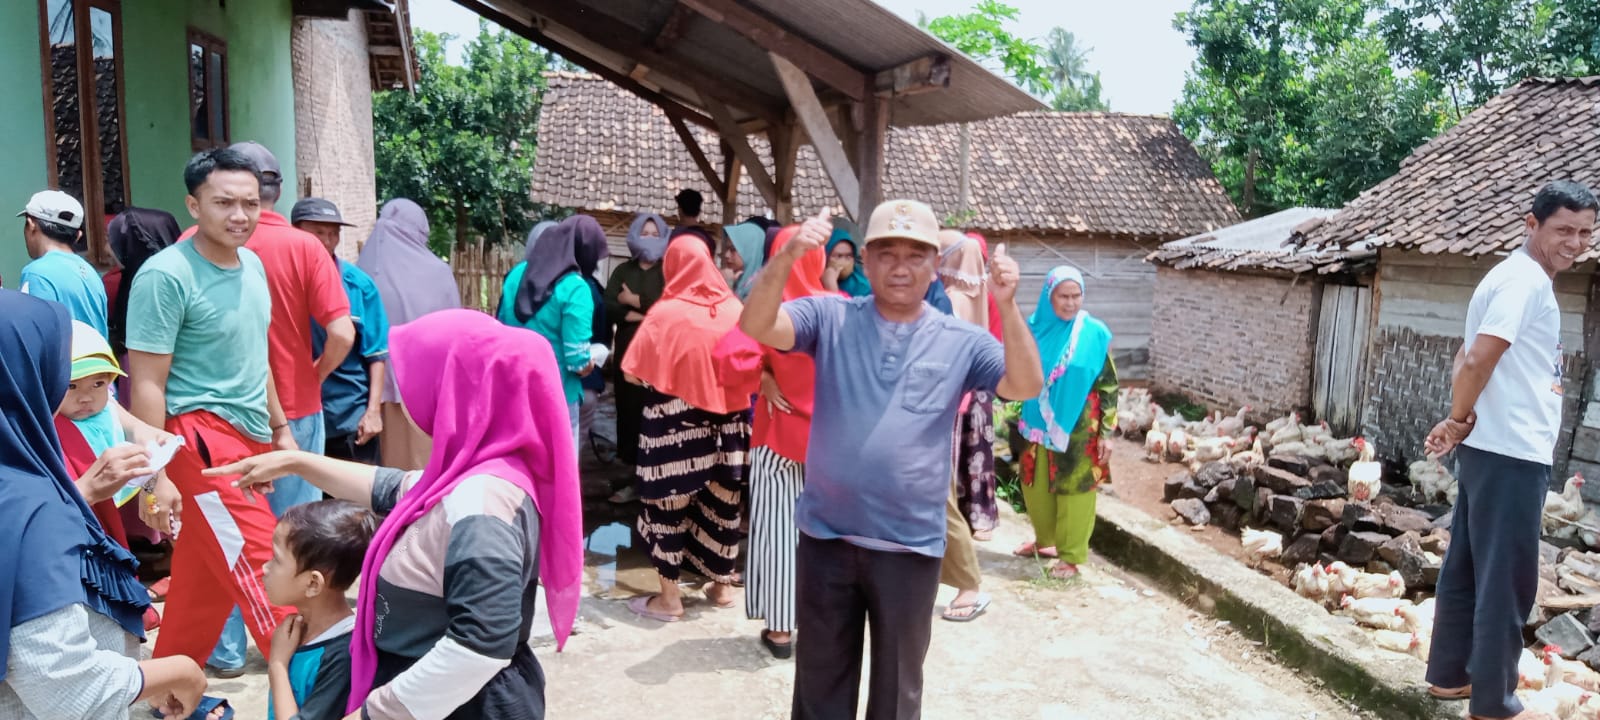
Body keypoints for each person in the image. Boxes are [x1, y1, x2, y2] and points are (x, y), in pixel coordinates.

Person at [739, 200, 1043, 720]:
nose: (900, 267)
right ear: (866, 260)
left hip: (910, 546)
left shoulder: (962, 341)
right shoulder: (829, 314)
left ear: (933, 265)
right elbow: (758, 325)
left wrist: (1008, 306)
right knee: (819, 690)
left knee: (897, 694)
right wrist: (788, 255)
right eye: (886, 254)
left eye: (915, 256)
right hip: (827, 540)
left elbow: (1024, 384)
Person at [210, 308, 583, 720]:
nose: (403, 397)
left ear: (457, 389)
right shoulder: (470, 474)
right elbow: (387, 486)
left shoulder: (483, 503)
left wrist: (376, 713)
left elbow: (480, 646)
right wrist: (294, 462)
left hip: (463, 706)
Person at [1423, 180, 1599, 720]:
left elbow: (1464, 355)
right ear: (1531, 224)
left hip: (1490, 448)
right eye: (1563, 230)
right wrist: (1456, 419)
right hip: (1512, 454)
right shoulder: (1524, 283)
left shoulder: (1509, 277)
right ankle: (1493, 703)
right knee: (1510, 578)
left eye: (1586, 232)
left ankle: (1449, 677)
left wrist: (1459, 425)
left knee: (1468, 566)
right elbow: (1476, 360)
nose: (1575, 242)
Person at [0, 288, 213, 720]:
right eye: (55, 370)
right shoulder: (29, 507)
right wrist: (180, 671)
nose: (74, 390)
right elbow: (67, 688)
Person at [126, 147, 295, 669]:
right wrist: (154, 478)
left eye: (249, 204)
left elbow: (256, 355)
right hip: (196, 442)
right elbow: (147, 383)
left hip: (245, 440)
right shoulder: (166, 275)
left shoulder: (254, 265)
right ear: (194, 205)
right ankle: (315, 689)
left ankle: (168, 693)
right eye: (224, 203)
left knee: (204, 582)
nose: (239, 216)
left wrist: (281, 430)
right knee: (270, 569)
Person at [715, 225, 834, 657]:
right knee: (825, 538)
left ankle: (781, 631)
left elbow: (727, 359)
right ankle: (823, 627)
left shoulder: (771, 309)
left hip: (778, 435)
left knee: (779, 532)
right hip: (831, 445)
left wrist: (761, 377)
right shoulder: (839, 308)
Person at [622, 232, 752, 622]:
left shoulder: (666, 312)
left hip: (673, 428)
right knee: (722, 509)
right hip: (729, 428)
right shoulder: (736, 309)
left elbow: (631, 373)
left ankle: (670, 600)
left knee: (667, 508)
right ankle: (721, 588)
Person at [1006, 266, 1117, 581]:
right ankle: (1046, 542)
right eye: (1063, 296)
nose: (1071, 303)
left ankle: (1070, 556)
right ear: (1048, 296)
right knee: (1034, 485)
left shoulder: (1093, 333)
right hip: (1034, 421)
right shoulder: (1034, 329)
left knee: (1075, 490)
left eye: (1076, 295)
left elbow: (1108, 385)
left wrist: (1108, 433)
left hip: (1081, 429)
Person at [357, 198, 461, 471]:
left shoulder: (361, 272)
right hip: (428, 393)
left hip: (371, 393)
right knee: (424, 471)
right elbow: (455, 334)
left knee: (382, 474)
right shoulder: (438, 273)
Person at [292, 198, 391, 466]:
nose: (327, 241)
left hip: (349, 415)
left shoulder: (358, 285)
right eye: (318, 233)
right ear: (295, 234)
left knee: (353, 503)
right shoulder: (282, 281)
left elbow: (377, 355)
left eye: (333, 233)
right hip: (295, 416)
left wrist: (373, 412)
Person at [264, 500, 377, 720]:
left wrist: (277, 665)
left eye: (276, 559)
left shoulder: (342, 656)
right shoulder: (298, 633)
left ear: (313, 584)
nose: (265, 568)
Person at [933, 230, 995, 622]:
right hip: (960, 405)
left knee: (939, 495)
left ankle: (969, 586)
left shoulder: (953, 300)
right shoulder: (975, 297)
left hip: (943, 407)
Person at [497, 215, 600, 450]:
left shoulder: (515, 275)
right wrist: (591, 363)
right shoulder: (575, 287)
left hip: (514, 390)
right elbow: (577, 362)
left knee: (518, 464)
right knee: (558, 471)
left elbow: (501, 329)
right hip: (558, 396)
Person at [939, 230, 1000, 540]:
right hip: (982, 383)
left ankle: (955, 518)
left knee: (957, 452)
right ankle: (980, 516)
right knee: (978, 450)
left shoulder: (950, 297)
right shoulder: (983, 293)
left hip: (956, 387)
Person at [604, 212, 668, 499]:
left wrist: (634, 302)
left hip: (659, 356)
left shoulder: (669, 271)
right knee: (628, 414)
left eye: (656, 234)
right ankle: (631, 479)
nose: (650, 239)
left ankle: (653, 479)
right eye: (645, 233)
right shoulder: (622, 271)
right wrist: (646, 314)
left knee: (655, 413)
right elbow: (608, 306)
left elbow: (669, 306)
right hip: (628, 352)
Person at [16, 190, 108, 336]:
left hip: (64, 359)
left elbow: (35, 337)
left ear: (31, 224)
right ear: (78, 235)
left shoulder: (37, 273)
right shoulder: (90, 272)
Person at [573, 219, 612, 456]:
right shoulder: (593, 289)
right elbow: (601, 337)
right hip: (585, 381)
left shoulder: (529, 282)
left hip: (552, 380)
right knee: (574, 443)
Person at [821, 227, 871, 297]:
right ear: (826, 256)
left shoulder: (862, 288)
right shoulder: (814, 279)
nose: (843, 261)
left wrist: (831, 287)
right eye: (838, 256)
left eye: (848, 256)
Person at [722, 221, 767, 300]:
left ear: (750, 251)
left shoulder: (759, 289)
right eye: (726, 249)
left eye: (733, 250)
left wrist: (727, 285)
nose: (726, 255)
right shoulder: (739, 280)